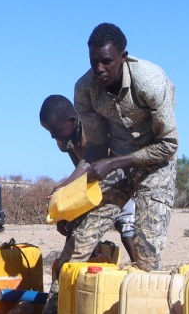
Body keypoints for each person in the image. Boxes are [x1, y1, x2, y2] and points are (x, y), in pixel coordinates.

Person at [60, 23, 178, 272]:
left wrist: (113, 162)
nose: (99, 69)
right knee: (80, 239)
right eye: (94, 62)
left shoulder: (150, 81)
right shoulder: (85, 89)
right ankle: (57, 309)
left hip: (156, 162)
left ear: (123, 58)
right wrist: (68, 186)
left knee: (146, 250)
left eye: (106, 62)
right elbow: (96, 147)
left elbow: (168, 145)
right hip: (120, 161)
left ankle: (144, 304)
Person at [39, 93, 139, 267]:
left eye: (55, 130)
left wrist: (64, 187)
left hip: (119, 178)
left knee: (126, 226)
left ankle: (142, 270)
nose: (53, 136)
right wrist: (66, 208)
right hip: (92, 181)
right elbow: (78, 167)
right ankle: (80, 268)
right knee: (75, 225)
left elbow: (89, 162)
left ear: (72, 121)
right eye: (49, 131)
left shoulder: (91, 127)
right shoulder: (64, 139)